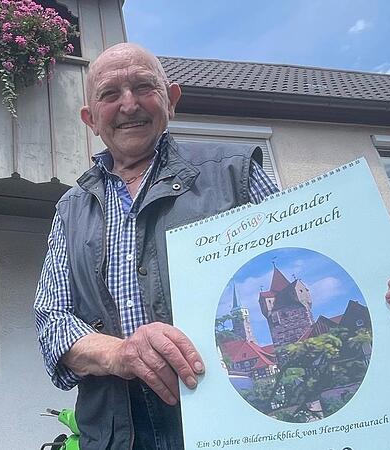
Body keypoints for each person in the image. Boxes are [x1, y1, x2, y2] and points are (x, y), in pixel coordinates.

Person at [33, 43, 281, 450]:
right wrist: (122, 353)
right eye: (110, 94)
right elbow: (52, 321)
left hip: (233, 427)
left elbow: (304, 267)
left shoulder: (237, 172)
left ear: (172, 99)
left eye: (144, 87)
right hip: (115, 438)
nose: (129, 105)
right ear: (90, 119)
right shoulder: (71, 209)